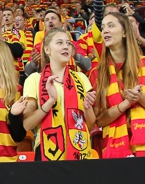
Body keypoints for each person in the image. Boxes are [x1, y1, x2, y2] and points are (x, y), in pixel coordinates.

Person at [92, 12, 145, 158]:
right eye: (103, 28)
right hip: (114, 148)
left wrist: (140, 97)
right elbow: (99, 120)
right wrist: (125, 104)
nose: (105, 30)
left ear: (125, 33)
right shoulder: (97, 73)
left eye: (111, 26)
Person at [21, 29, 96, 161]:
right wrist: (50, 101)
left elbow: (90, 125)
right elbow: (27, 124)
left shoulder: (81, 78)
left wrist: (87, 107)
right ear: (47, 50)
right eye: (60, 43)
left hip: (80, 150)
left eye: (68, 43)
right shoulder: (34, 79)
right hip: (47, 151)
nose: (66, 46)